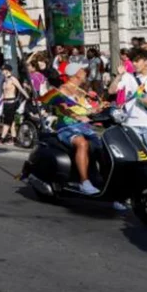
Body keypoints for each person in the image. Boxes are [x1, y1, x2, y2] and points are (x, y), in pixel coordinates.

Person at [55, 63, 106, 195]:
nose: (85, 72)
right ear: (76, 73)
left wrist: (100, 108)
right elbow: (63, 109)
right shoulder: (63, 90)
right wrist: (77, 116)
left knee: (105, 145)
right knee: (82, 143)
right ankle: (84, 182)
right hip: (67, 127)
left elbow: (87, 111)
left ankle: (105, 182)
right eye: (83, 70)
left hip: (84, 127)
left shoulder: (81, 91)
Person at [109, 48, 147, 160]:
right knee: (138, 159)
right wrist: (119, 76)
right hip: (131, 124)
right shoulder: (128, 76)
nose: (134, 64)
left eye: (137, 61)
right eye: (132, 61)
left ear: (146, 62)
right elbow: (111, 91)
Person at [0, 64, 29, 145]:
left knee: (7, 122)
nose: (2, 71)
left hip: (12, 102)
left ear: (7, 70)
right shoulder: (4, 80)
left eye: (3, 70)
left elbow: (20, 89)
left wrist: (28, 97)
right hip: (5, 102)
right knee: (11, 122)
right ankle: (14, 139)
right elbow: (3, 93)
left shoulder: (13, 79)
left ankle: (2, 139)